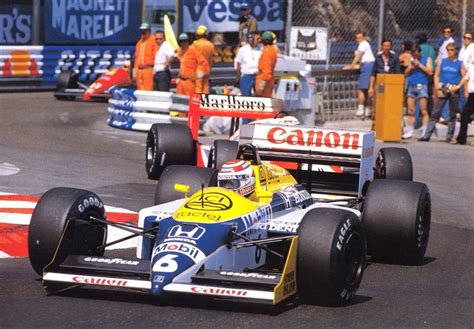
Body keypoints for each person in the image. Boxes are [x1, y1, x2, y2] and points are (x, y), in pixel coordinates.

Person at [419, 43, 465, 142]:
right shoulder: (442, 62)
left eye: (452, 50)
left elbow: (464, 77)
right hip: (443, 88)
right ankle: (427, 135)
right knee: (436, 112)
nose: (450, 52)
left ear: (456, 51)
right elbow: (436, 75)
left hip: (453, 89)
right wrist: (438, 88)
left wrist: (458, 86)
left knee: (452, 114)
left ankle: (449, 136)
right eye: (448, 50)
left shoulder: (459, 63)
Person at [402, 44, 433, 139]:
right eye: (413, 54)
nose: (415, 56)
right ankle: (410, 130)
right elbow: (405, 74)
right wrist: (410, 67)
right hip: (411, 85)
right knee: (411, 110)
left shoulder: (427, 59)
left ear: (420, 52)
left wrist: (419, 65)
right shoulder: (410, 60)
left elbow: (430, 71)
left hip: (422, 85)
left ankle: (424, 131)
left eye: (417, 54)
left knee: (423, 110)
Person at [348, 32, 375, 119]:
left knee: (362, 89)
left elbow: (358, 56)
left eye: (361, 37)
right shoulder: (363, 45)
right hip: (366, 65)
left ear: (364, 37)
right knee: (367, 89)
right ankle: (367, 110)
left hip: (367, 66)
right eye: (357, 38)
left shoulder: (363, 44)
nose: (359, 39)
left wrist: (351, 65)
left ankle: (361, 109)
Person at [235, 30, 262, 96]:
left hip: (258, 76)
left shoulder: (262, 49)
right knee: (246, 97)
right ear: (251, 39)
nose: (259, 40)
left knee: (260, 97)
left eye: (260, 39)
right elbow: (238, 64)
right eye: (257, 39)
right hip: (246, 77)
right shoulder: (243, 50)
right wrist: (239, 77)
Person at [453, 64, 474, 145]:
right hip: (471, 95)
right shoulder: (471, 67)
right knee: (464, 115)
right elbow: (465, 78)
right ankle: (461, 139)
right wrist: (458, 86)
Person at [134, 22, 158, 90]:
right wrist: (135, 72)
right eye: (142, 31)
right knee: (139, 90)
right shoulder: (139, 43)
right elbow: (136, 58)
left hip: (148, 70)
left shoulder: (153, 41)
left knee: (148, 90)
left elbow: (156, 57)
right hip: (139, 71)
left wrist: (154, 71)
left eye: (145, 31)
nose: (143, 32)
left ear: (149, 31)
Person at [255, 31, 278, 97]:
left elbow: (266, 72)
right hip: (269, 83)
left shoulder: (267, 52)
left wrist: (261, 87)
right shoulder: (272, 50)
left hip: (265, 86)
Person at [192, 25, 214, 94]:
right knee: (205, 87)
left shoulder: (195, 44)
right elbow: (210, 59)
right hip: (207, 69)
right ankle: (205, 103)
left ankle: (197, 103)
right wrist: (210, 69)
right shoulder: (210, 45)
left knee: (198, 87)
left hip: (199, 69)